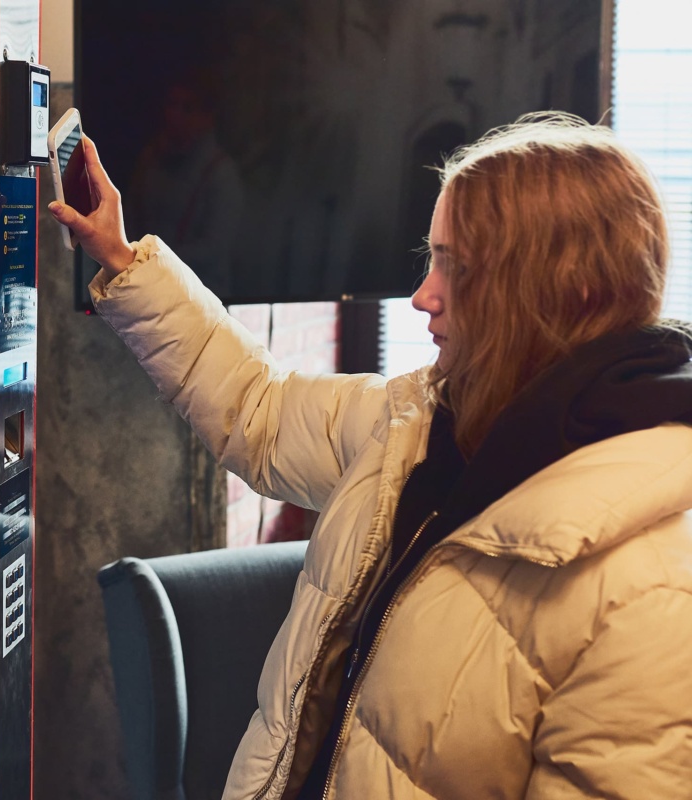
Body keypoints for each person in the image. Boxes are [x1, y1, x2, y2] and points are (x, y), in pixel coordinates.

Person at [48, 112, 692, 799]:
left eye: (458, 267)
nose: (423, 296)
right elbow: (257, 409)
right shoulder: (421, 419)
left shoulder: (654, 589)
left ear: (568, 290)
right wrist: (122, 257)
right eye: (431, 257)